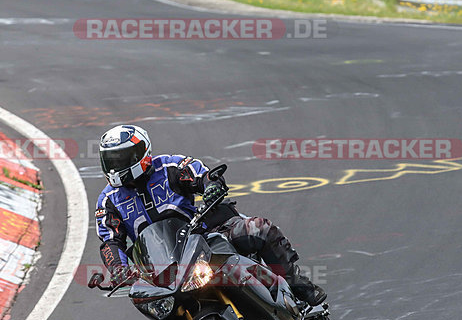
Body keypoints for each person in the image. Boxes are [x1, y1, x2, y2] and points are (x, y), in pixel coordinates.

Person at [94, 124, 326, 307]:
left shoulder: (169, 166)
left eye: (120, 159)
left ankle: (297, 284)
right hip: (163, 268)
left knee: (258, 229)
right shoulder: (108, 200)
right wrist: (119, 270)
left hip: (204, 234)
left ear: (140, 153)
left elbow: (201, 174)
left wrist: (210, 185)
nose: (115, 167)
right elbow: (110, 241)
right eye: (110, 161)